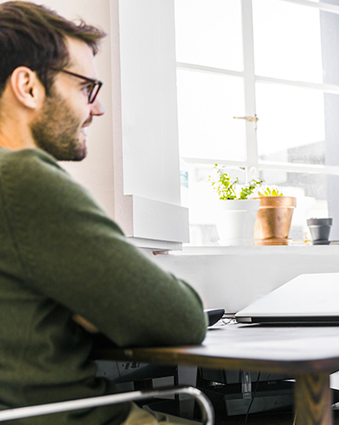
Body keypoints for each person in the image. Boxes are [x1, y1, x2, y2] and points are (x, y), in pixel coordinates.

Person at [0, 2, 208, 424]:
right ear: (28, 85)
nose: (98, 109)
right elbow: (181, 319)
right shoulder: (23, 179)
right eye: (85, 89)